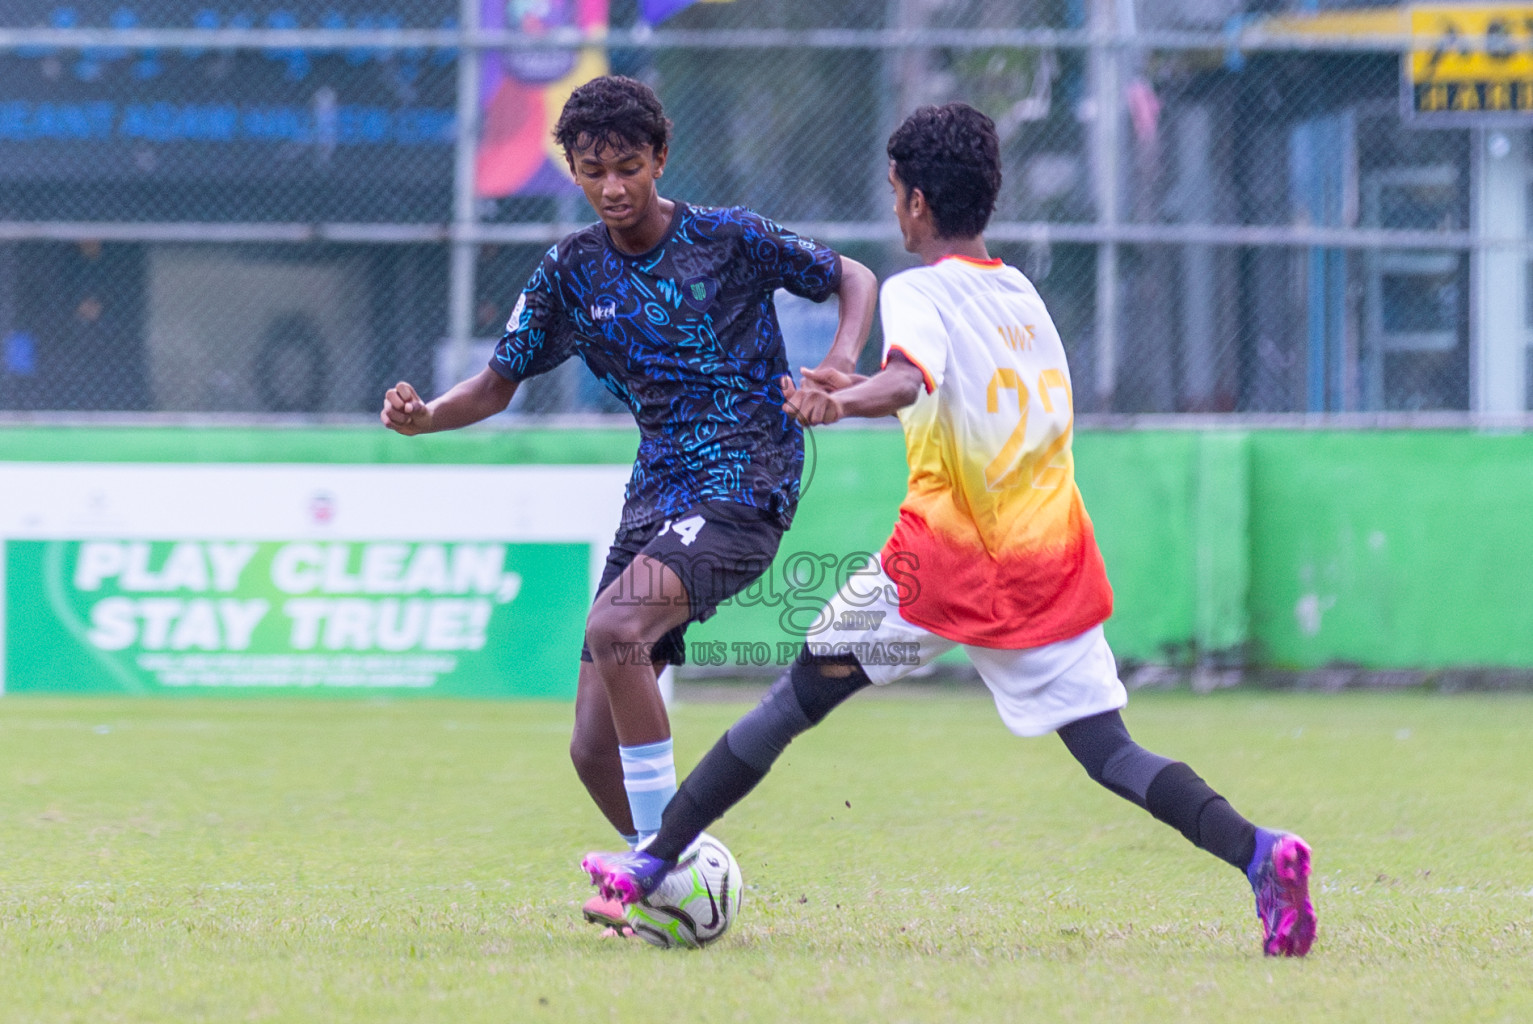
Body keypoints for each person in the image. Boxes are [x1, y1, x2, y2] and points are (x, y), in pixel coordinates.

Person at [582, 102, 1316, 958]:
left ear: (916, 203)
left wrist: (835, 399)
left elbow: (903, 381)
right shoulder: (1020, 295)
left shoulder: (917, 289)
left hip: (939, 570)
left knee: (790, 706)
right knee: (1110, 752)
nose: (895, 207)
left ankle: (649, 864)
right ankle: (1262, 853)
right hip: (1050, 566)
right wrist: (851, 386)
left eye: (896, 192)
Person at [381, 75, 878, 936]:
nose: (612, 187)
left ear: (659, 158)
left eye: (627, 167)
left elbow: (852, 275)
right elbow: (498, 383)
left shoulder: (726, 239)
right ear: (572, 170)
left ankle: (653, 866)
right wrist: (427, 418)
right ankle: (681, 878)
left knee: (619, 630)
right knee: (588, 748)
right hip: (655, 500)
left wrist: (839, 361)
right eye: (592, 170)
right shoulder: (571, 270)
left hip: (744, 486)